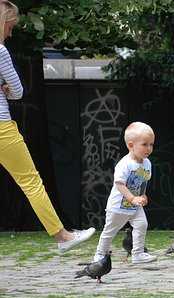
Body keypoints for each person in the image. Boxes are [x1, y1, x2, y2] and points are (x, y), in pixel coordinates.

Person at [0, 1, 95, 253]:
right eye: (10, 27)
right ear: (4, 22)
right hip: (1, 128)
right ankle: (62, 237)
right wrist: (6, 90)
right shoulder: (0, 51)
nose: (10, 33)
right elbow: (18, 91)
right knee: (31, 182)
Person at [93, 122, 156, 264]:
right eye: (145, 144)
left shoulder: (147, 163)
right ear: (131, 145)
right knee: (110, 231)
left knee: (142, 224)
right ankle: (100, 254)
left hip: (134, 206)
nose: (149, 148)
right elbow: (119, 184)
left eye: (151, 144)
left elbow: (143, 181)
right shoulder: (125, 164)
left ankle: (138, 254)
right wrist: (133, 198)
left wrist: (143, 195)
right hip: (118, 207)